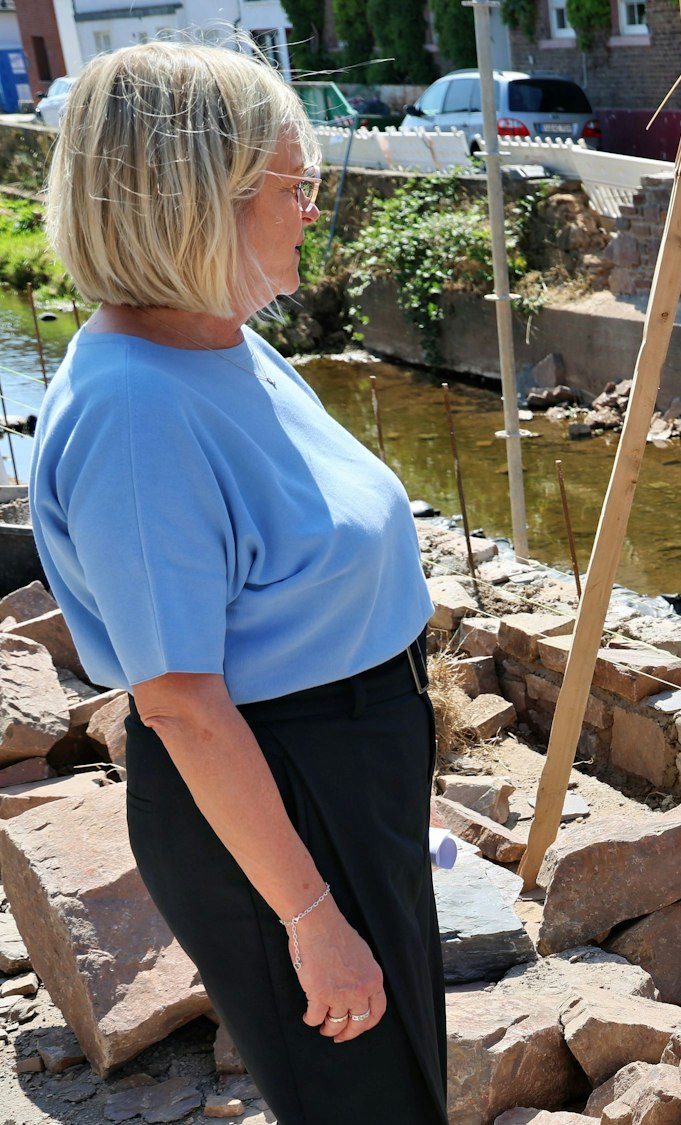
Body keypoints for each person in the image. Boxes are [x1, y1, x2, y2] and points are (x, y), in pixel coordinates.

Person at [30, 41, 443, 1120]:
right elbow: (178, 701)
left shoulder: (218, 338)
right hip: (278, 788)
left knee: (399, 1084)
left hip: (342, 766)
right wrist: (311, 916)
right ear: (191, 201)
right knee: (368, 1102)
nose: (315, 211)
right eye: (296, 187)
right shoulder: (137, 412)